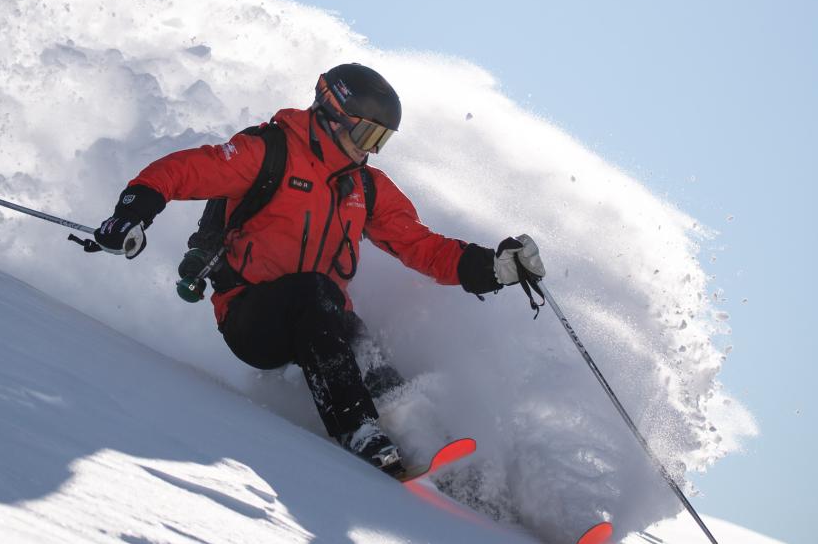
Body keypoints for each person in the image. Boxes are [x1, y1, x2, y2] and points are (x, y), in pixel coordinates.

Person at [93, 63, 545, 475]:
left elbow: (420, 246)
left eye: (381, 142)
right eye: (367, 135)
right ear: (333, 114)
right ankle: (360, 430)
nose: (371, 151)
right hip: (251, 318)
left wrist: (493, 267)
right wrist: (132, 212)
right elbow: (184, 171)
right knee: (313, 292)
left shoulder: (365, 186)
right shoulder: (269, 152)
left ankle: (441, 459)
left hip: (322, 320)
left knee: (367, 348)